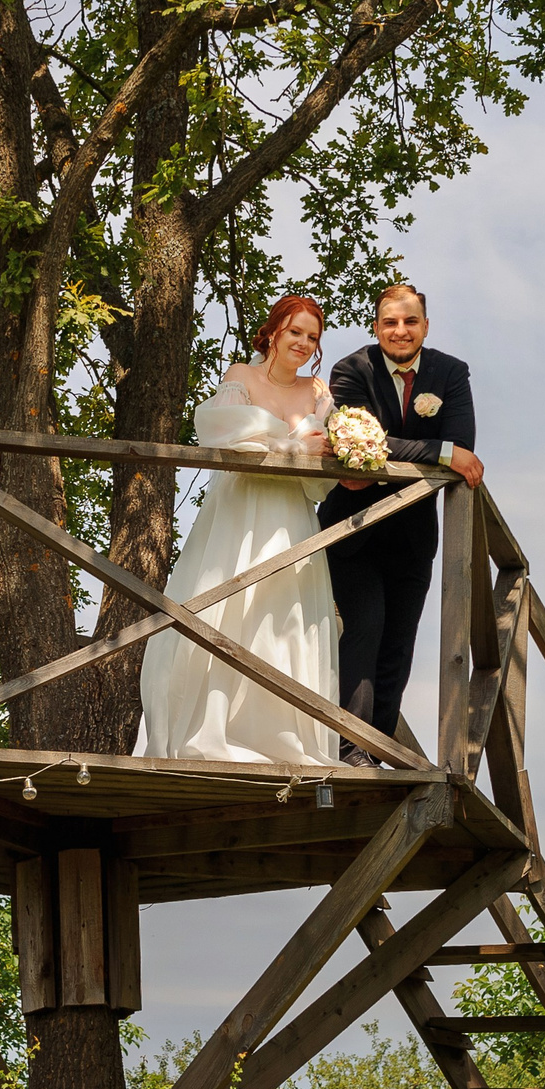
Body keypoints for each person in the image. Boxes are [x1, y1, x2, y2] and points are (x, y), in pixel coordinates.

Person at [137, 294, 342, 764]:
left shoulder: (318, 393)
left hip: (290, 514)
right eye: (295, 332)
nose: (304, 343)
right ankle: (213, 729)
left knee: (286, 613)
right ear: (272, 332)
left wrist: (322, 449)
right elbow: (226, 438)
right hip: (241, 510)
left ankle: (287, 739)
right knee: (229, 607)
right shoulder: (239, 377)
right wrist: (295, 445)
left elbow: (325, 464)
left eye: (312, 337)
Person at [321, 283, 482, 764]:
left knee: (399, 644)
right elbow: (362, 443)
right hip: (353, 526)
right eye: (390, 322)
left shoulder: (451, 373)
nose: (400, 331)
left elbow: (462, 438)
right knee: (364, 628)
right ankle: (351, 747)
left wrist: (448, 450)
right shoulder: (350, 370)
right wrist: (441, 453)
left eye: (410, 321)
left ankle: (381, 749)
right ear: (376, 327)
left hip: (415, 534)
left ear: (426, 326)